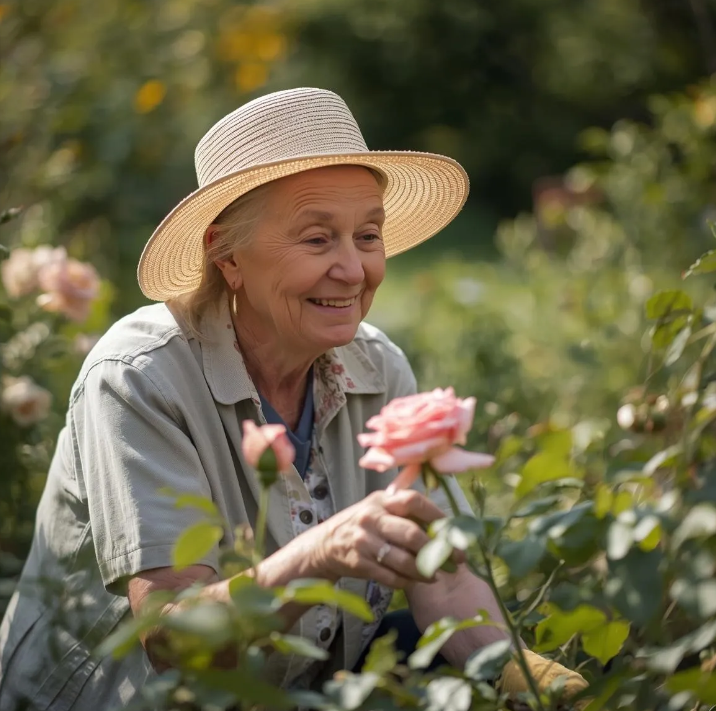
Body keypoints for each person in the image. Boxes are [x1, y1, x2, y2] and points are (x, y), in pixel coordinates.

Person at [0, 88, 587, 710]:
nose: (354, 270)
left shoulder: (378, 366)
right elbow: (175, 643)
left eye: (367, 235)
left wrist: (526, 674)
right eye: (316, 240)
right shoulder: (139, 377)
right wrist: (324, 551)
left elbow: (442, 573)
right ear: (227, 256)